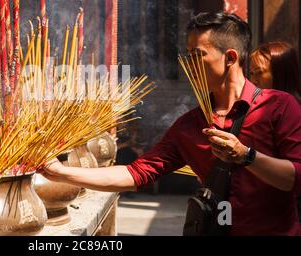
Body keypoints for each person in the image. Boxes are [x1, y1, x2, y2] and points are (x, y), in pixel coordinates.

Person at [41, 12, 301, 236]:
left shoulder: (279, 107)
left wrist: (246, 156)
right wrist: (61, 173)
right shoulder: (190, 125)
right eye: (187, 56)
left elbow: (295, 177)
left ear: (230, 58)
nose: (189, 65)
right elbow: (136, 173)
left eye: (197, 55)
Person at [249, 41, 301, 224]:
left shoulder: (292, 109)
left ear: (281, 73)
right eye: (251, 73)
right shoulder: (258, 108)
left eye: (260, 73)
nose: (253, 81)